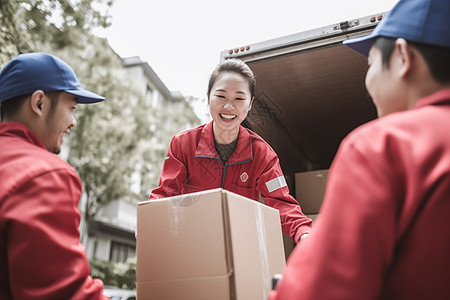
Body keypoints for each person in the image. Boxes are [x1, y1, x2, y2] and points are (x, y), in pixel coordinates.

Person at [269, 0, 450, 299]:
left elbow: (323, 291)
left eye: (371, 64)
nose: (368, 84)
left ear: (404, 57)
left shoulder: (383, 147)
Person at [149, 58, 312, 243]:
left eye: (239, 98)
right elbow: (165, 194)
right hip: (192, 242)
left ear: (250, 104)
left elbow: (281, 202)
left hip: (239, 244)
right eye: (221, 96)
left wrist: (303, 232)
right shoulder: (183, 144)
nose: (228, 106)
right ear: (208, 96)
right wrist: (149, 223)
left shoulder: (262, 154)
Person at [0, 52, 110, 299]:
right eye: (71, 108)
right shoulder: (44, 175)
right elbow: (66, 294)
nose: (73, 122)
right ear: (39, 103)